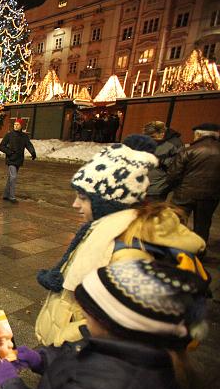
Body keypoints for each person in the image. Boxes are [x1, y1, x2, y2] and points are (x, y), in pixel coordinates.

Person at [0, 259, 208, 389]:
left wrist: (11, 387)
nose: (83, 313)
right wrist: (42, 358)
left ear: (114, 322)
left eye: (89, 310)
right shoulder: (137, 353)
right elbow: (82, 355)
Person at [34, 141, 206, 347]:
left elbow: (119, 325)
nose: (75, 204)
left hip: (83, 349)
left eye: (83, 198)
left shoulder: (128, 249)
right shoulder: (106, 229)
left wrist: (64, 342)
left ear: (108, 202)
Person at [166, 123, 220, 245]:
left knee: (177, 221)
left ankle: (174, 248)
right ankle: (198, 250)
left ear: (198, 135)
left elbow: (173, 174)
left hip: (184, 193)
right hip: (210, 196)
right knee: (203, 225)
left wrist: (172, 187)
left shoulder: (189, 150)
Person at [143, 120, 183, 202]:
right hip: (143, 184)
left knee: (153, 211)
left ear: (162, 133)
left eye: (153, 136)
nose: (150, 139)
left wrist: (161, 160)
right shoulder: (149, 140)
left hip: (158, 186)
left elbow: (178, 164)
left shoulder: (175, 143)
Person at [0, 119, 36, 203]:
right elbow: (1, 146)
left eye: (17, 124)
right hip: (11, 159)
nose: (15, 126)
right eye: (15, 124)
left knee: (11, 178)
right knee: (13, 177)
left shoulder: (24, 136)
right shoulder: (9, 135)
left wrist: (33, 152)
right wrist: (9, 152)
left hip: (19, 160)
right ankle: (11, 197)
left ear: (21, 126)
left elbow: (28, 145)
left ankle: (6, 194)